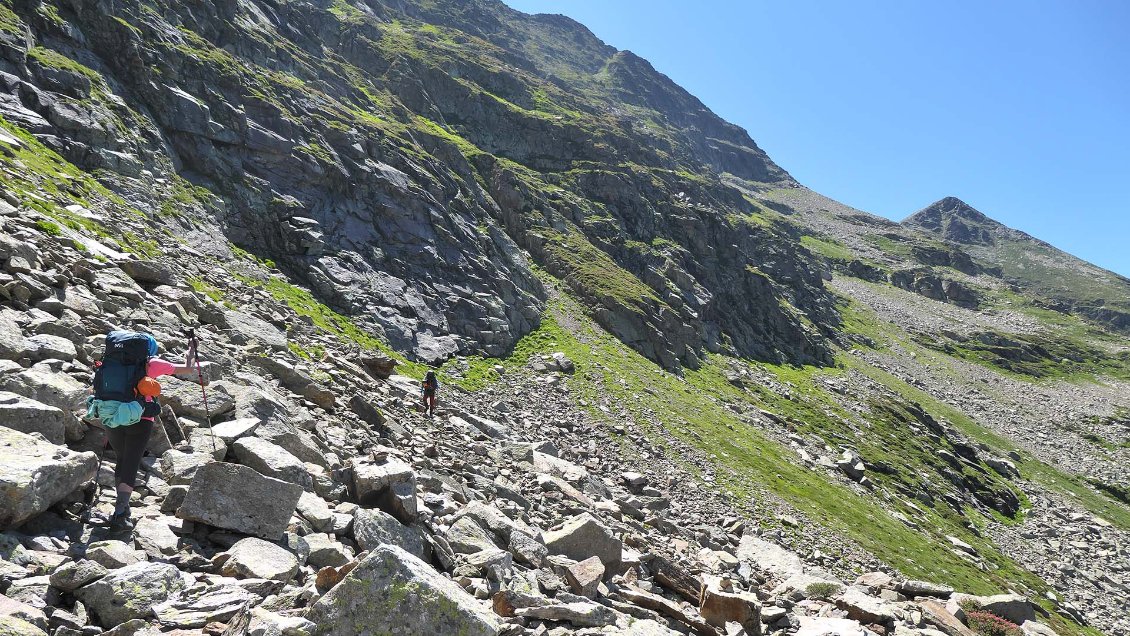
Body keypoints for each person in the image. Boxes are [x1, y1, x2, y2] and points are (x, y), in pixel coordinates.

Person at [86, 331, 200, 530]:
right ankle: (120, 513)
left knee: (122, 460)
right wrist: (191, 350)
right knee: (131, 462)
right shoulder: (153, 364)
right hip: (140, 418)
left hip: (112, 417)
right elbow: (188, 369)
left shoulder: (111, 363)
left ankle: (123, 509)